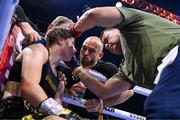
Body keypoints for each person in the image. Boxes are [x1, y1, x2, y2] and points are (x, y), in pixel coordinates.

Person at [71, 6, 180, 119]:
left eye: (107, 38)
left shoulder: (133, 23)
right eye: (105, 45)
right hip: (172, 85)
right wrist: (76, 67)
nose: (107, 45)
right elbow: (104, 91)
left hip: (176, 54)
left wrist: (71, 32)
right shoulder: (128, 68)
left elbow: (93, 15)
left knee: (159, 108)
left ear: (115, 27)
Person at [0, 26, 80, 119]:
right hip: (12, 111)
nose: (75, 49)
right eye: (72, 43)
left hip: (35, 115)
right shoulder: (39, 50)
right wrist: (65, 114)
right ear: (60, 40)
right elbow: (29, 86)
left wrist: (60, 90)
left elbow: (56, 105)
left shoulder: (58, 75)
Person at [66, 36, 133, 119]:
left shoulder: (108, 68)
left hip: (95, 116)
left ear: (100, 55)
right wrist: (68, 92)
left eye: (91, 51)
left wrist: (102, 103)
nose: (86, 53)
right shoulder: (70, 63)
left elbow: (129, 92)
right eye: (84, 48)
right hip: (70, 113)